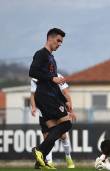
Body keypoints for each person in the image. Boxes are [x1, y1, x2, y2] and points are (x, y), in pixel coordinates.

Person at [29, 28, 76, 169]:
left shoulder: (51, 58)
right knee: (66, 124)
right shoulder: (41, 54)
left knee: (53, 132)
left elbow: (54, 83)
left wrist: (64, 99)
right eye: (58, 40)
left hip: (50, 97)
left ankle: (40, 162)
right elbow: (32, 71)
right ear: (50, 38)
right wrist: (52, 77)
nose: (60, 44)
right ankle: (40, 151)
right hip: (46, 97)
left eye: (61, 41)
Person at [30, 74, 75, 169]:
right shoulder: (35, 79)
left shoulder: (58, 76)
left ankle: (68, 157)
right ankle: (49, 162)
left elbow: (66, 93)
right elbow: (33, 94)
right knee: (49, 137)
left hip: (58, 108)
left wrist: (71, 109)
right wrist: (33, 107)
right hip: (44, 112)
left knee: (62, 135)